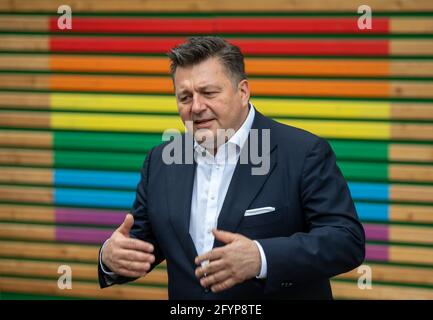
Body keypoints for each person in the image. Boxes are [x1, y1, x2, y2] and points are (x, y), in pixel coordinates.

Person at [98, 36, 365, 299]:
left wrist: (261, 258)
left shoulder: (303, 152)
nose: (197, 107)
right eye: (185, 97)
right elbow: (141, 246)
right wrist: (111, 256)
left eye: (209, 93)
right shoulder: (161, 160)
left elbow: (346, 240)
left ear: (243, 91)